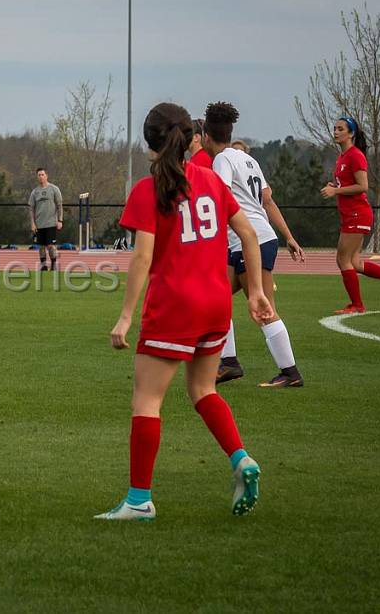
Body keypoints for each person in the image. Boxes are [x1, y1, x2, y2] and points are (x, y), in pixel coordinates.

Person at [97, 102, 273, 522]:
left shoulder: (149, 188)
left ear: (150, 141)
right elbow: (248, 232)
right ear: (190, 137)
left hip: (175, 305)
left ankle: (139, 501)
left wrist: (125, 316)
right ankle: (240, 459)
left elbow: (142, 258)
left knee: (147, 400)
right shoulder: (211, 179)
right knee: (204, 390)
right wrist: (255, 292)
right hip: (215, 306)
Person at [204, 102, 306, 389]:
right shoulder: (248, 160)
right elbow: (267, 200)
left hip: (252, 241)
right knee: (215, 297)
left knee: (263, 308)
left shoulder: (222, 160)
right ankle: (229, 362)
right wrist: (288, 235)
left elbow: (220, 197)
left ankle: (289, 372)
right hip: (254, 239)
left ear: (206, 136)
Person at [321, 116, 380, 313]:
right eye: (334, 128)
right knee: (355, 263)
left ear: (351, 133)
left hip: (357, 214)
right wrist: (335, 186)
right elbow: (348, 184)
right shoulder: (342, 157)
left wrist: (336, 191)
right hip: (350, 214)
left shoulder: (355, 155)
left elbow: (363, 186)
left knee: (342, 259)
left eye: (340, 129)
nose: (335, 131)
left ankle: (357, 305)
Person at [28, 168, 63, 270]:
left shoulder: (54, 189)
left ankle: (53, 263)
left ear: (46, 176)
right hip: (39, 224)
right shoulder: (35, 192)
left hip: (51, 223)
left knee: (51, 245)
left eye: (42, 174)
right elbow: (31, 208)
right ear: (37, 177)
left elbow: (59, 205)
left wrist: (60, 220)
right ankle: (43, 265)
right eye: (39, 175)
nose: (41, 177)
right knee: (41, 246)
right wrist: (32, 223)